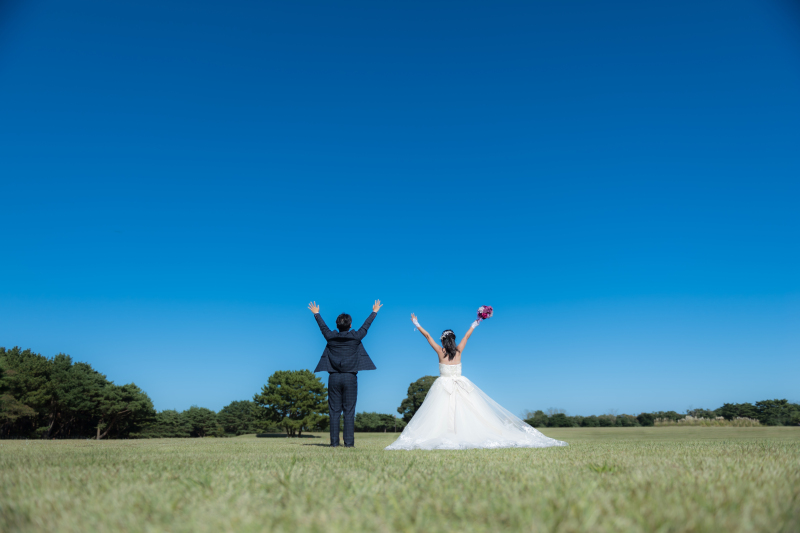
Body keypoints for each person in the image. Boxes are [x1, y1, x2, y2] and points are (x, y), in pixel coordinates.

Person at [385, 313, 567, 450]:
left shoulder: (440, 352)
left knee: (441, 413)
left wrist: (416, 323)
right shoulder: (459, 351)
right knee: (470, 413)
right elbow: (466, 337)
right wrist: (476, 321)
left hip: (443, 386)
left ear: (443, 339)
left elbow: (427, 337)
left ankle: (449, 434)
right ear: (453, 340)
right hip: (461, 385)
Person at [308, 300, 382, 447]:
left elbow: (323, 328)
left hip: (333, 377)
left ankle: (334, 444)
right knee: (349, 411)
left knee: (334, 412)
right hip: (350, 377)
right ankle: (349, 444)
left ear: (337, 326)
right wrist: (374, 312)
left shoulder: (330, 337)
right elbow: (365, 327)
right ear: (350, 326)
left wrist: (316, 314)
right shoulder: (355, 337)